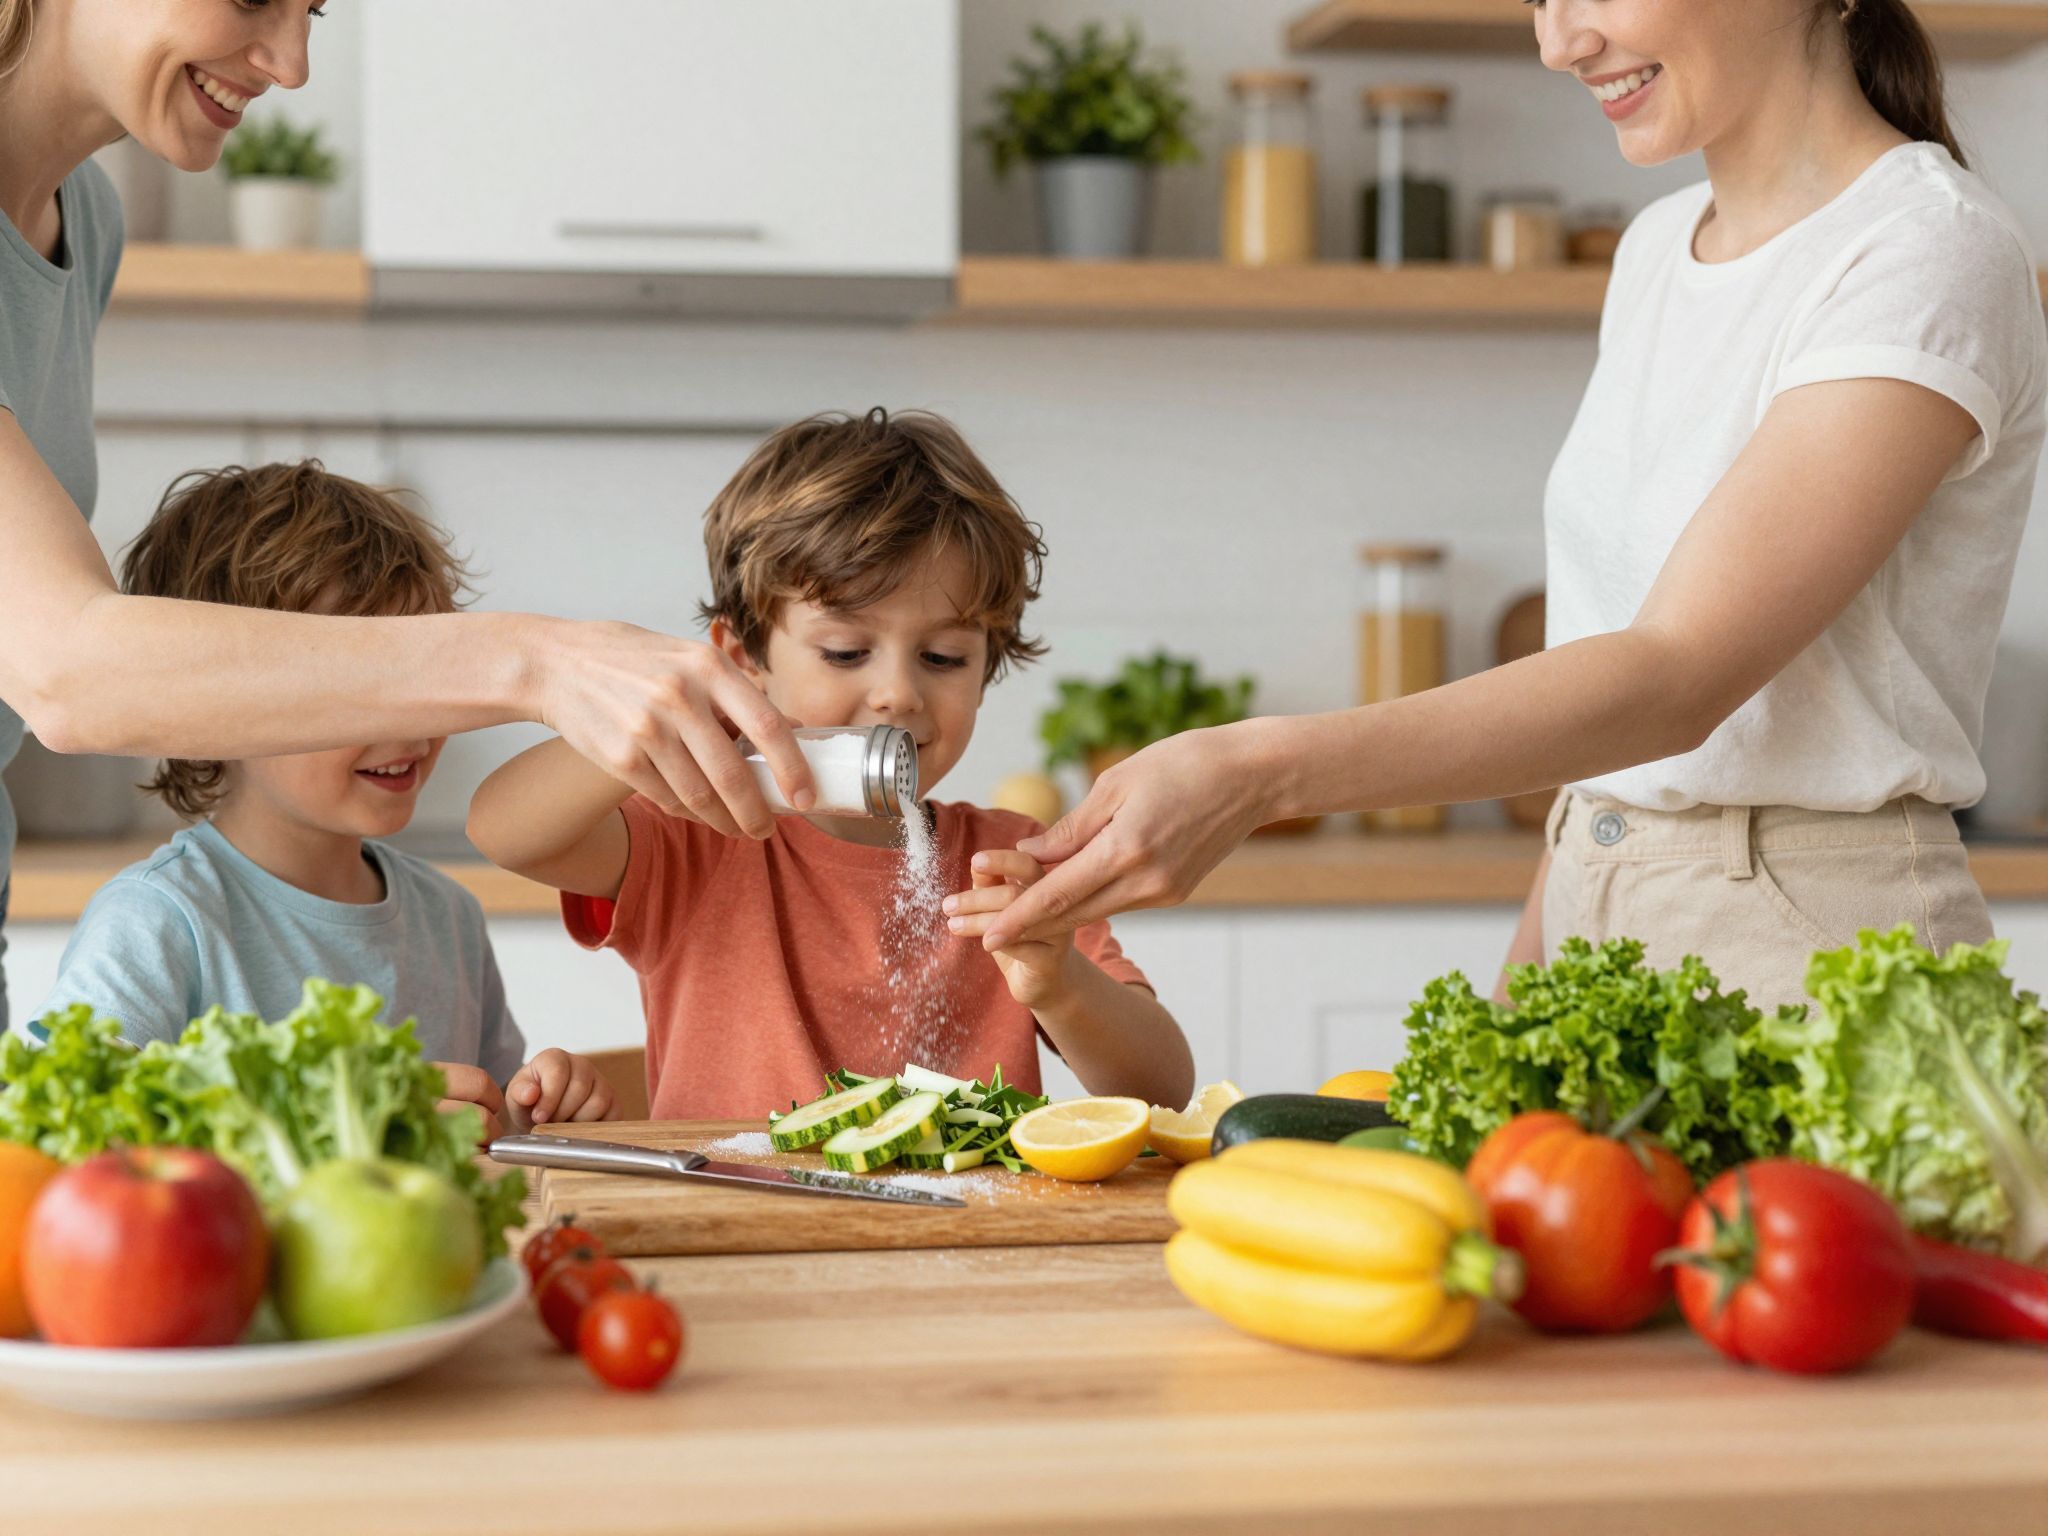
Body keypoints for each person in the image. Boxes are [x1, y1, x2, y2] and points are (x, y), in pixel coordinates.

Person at [977, 0, 2048, 1010]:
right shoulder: (1656, 248)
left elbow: (1677, 677)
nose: (1558, 43)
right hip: (1598, 906)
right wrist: (1515, 1010)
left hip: (1815, 946)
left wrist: (1254, 771)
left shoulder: (1925, 248)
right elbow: (1610, 727)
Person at [0, 0, 810, 1036]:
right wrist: (535, 663)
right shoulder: (168, 915)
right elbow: (66, 672)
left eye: (313, 9)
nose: (292, 62)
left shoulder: (85, 220)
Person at [468, 410, 1193, 1118]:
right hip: (737, 1202)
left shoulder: (1014, 859)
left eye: (944, 657)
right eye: (846, 652)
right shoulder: (695, 834)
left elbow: (1161, 1089)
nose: (898, 693)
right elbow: (503, 830)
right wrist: (665, 713)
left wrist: (1060, 983)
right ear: (742, 660)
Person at [39, 463, 616, 1139]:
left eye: (422, 679)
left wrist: (534, 1110)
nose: (410, 728)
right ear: (210, 705)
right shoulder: (158, 919)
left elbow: (487, 1133)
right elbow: (65, 1133)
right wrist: (326, 1125)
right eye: (357, 691)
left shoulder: (447, 915)